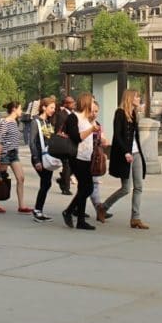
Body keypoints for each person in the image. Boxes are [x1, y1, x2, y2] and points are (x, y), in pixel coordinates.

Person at [99, 88, 147, 229]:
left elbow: (134, 136)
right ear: (130, 98)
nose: (139, 99)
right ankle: (103, 207)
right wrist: (126, 152)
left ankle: (135, 218)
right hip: (125, 154)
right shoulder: (119, 113)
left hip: (136, 153)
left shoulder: (133, 113)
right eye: (137, 97)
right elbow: (117, 136)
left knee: (138, 186)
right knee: (126, 188)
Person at [61, 92, 100, 230]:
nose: (94, 104)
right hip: (76, 157)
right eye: (93, 101)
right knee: (87, 187)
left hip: (86, 157)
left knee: (84, 187)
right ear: (86, 102)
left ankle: (80, 219)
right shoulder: (73, 117)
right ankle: (69, 211)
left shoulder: (88, 119)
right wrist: (91, 129)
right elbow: (76, 137)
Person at [0, 102, 31, 215]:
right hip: (5, 154)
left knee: (21, 178)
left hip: (14, 154)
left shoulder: (15, 122)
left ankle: (21, 205)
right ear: (14, 109)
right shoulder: (4, 122)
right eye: (20, 108)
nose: (21, 111)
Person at [29, 97, 57, 223]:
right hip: (40, 157)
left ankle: (38, 209)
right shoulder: (36, 122)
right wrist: (36, 159)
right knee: (46, 183)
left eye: (54, 108)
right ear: (44, 107)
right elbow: (32, 142)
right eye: (51, 108)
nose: (53, 110)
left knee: (46, 183)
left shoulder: (49, 122)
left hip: (47, 156)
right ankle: (37, 210)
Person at [53, 95, 76, 194]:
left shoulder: (72, 114)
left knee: (73, 165)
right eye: (71, 102)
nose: (73, 104)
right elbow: (58, 130)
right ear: (66, 104)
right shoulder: (61, 115)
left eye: (73, 102)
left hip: (72, 143)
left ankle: (63, 179)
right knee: (67, 165)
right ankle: (65, 188)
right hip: (64, 144)